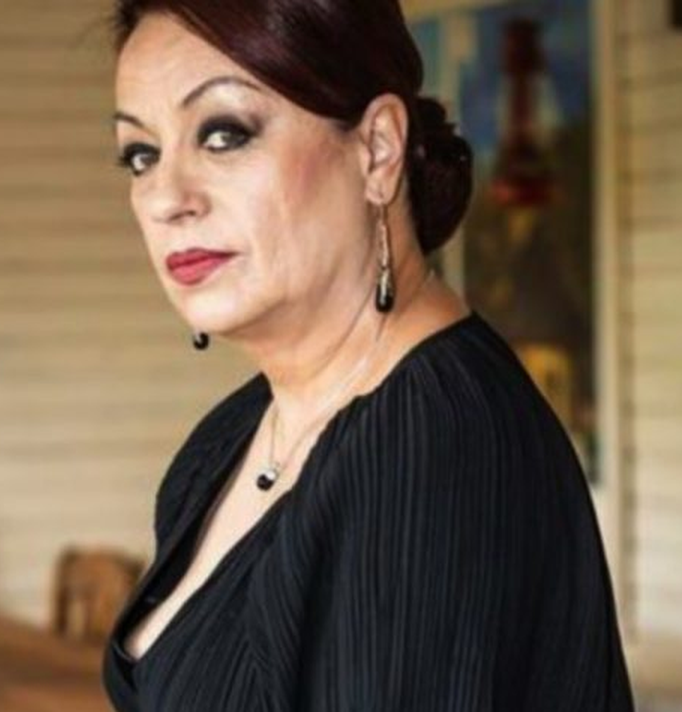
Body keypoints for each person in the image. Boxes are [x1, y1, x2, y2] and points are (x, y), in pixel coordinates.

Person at [100, 0, 635, 709]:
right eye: (141, 155)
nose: (166, 198)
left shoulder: (433, 445)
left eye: (224, 135)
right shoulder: (230, 439)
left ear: (378, 149)